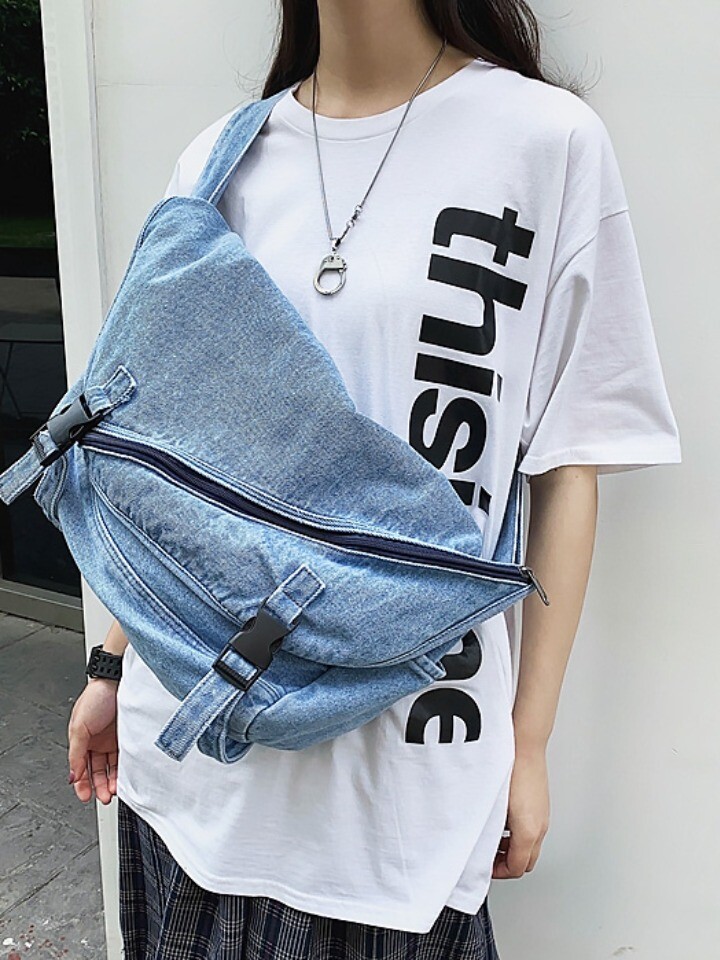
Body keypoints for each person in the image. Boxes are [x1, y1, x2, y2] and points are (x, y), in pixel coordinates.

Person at [65, 1, 682, 957]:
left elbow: (568, 465)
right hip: (191, 765)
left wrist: (528, 744)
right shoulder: (221, 162)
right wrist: (111, 663)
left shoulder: (544, 142)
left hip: (402, 788)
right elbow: (173, 470)